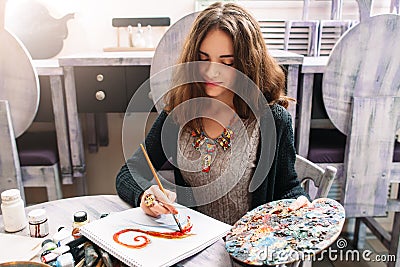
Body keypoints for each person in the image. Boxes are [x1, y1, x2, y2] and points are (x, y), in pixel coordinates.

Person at [116, 2, 310, 226]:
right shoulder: (179, 113)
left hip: (249, 250)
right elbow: (128, 173)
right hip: (194, 245)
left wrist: (300, 202)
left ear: (247, 65)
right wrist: (145, 195)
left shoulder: (273, 120)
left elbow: (288, 187)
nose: (211, 72)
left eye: (227, 62)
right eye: (204, 59)